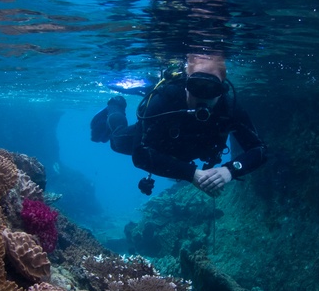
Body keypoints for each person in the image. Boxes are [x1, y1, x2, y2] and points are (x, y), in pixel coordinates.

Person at [90, 53, 268, 196]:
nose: (203, 96)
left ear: (222, 90)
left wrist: (230, 170)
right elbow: (141, 155)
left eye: (212, 88)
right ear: (185, 85)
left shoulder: (230, 109)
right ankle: (116, 104)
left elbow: (259, 150)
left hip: (188, 149)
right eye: (196, 87)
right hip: (159, 142)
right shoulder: (165, 101)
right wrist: (191, 174)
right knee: (116, 141)